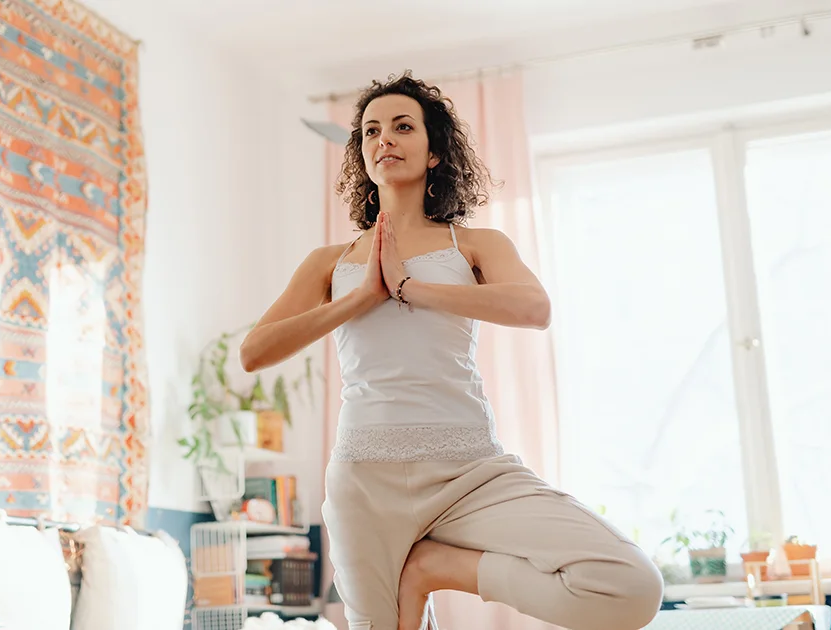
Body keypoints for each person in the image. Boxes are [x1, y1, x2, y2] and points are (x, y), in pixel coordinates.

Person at [238, 72, 663, 630]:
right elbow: (255, 352)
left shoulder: (476, 245)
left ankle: (437, 567)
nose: (384, 139)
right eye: (371, 131)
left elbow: (534, 308)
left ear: (434, 151)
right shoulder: (330, 262)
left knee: (631, 586)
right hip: (364, 480)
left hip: (470, 469)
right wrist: (362, 297)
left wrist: (410, 288)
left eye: (402, 126)